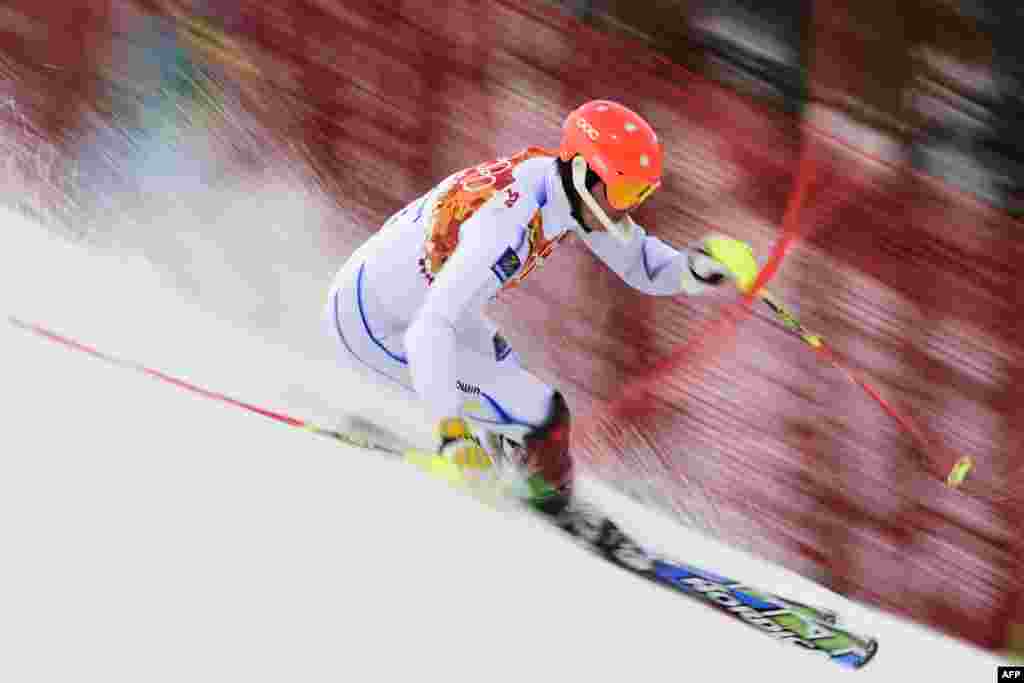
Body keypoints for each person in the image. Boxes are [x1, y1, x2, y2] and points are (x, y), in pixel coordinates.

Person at [324, 100, 758, 516]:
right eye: (624, 190)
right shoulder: (506, 224)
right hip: (378, 323)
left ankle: (508, 470)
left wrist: (693, 269)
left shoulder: (564, 189)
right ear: (586, 170)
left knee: (505, 371)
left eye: (638, 194)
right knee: (544, 415)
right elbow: (427, 331)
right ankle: (536, 507)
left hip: (404, 295)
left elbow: (641, 264)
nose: (626, 208)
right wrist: (451, 434)